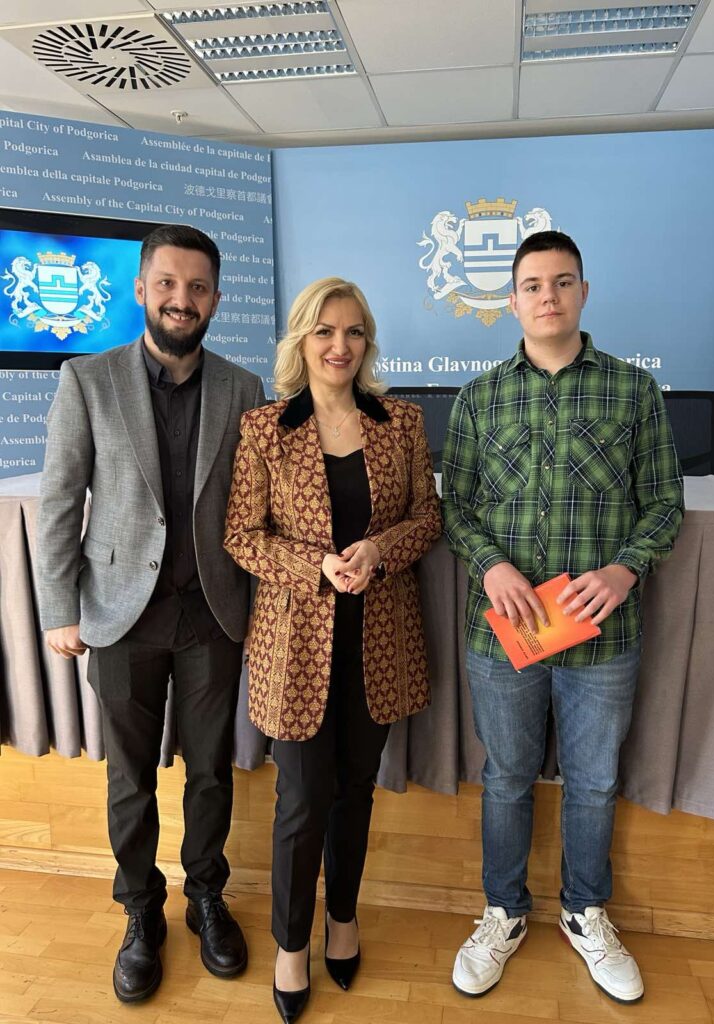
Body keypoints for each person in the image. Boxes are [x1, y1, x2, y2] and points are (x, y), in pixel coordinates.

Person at [443, 231, 684, 1004]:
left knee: (594, 782)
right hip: (503, 635)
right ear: (511, 301)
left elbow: (665, 505)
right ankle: (504, 912)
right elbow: (457, 507)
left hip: (602, 638)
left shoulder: (633, 392)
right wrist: (491, 564)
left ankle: (585, 912)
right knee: (507, 778)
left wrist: (624, 568)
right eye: (533, 285)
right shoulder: (480, 397)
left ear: (583, 292)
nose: (547, 296)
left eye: (562, 282)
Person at [36, 224, 265, 1003]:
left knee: (210, 773)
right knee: (129, 778)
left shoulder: (243, 389)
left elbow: (253, 508)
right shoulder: (87, 379)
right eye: (167, 283)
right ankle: (140, 911)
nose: (181, 299)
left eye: (197, 287)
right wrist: (58, 607)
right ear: (140, 289)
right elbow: (60, 501)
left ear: (216, 300)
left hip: (211, 617)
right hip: (117, 617)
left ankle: (206, 896)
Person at [224, 276, 441, 1023]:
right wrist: (315, 565)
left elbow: (428, 518)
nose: (339, 345)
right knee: (302, 800)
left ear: (367, 342)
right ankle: (291, 946)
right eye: (324, 331)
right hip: (295, 650)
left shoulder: (401, 422)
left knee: (355, 792)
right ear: (301, 340)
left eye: (353, 331)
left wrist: (380, 549)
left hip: (378, 642)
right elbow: (242, 536)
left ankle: (341, 920)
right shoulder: (265, 428)